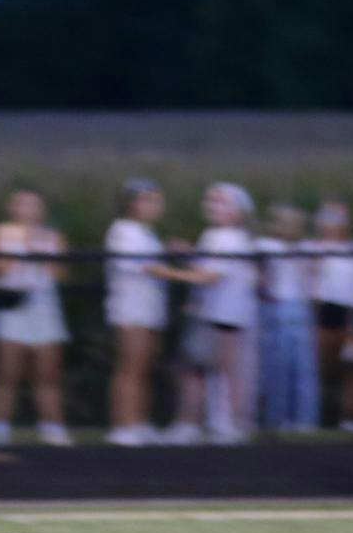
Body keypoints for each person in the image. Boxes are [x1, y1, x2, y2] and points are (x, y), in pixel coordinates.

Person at [104, 180, 206, 445]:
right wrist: (188, 276)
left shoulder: (146, 233)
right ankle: (122, 426)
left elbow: (153, 263)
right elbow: (147, 267)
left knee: (144, 368)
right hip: (130, 308)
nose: (156, 206)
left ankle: (139, 422)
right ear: (133, 203)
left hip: (150, 309)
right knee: (130, 367)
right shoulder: (123, 230)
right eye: (150, 200)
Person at [169, 182, 258, 444]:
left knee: (222, 370)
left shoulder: (230, 238)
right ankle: (214, 422)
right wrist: (188, 256)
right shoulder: (214, 235)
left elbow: (209, 276)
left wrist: (165, 272)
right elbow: (205, 267)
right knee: (209, 369)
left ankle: (226, 424)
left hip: (225, 314)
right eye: (212, 201)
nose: (214, 206)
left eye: (222, 202)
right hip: (212, 312)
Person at [0, 188, 71, 445]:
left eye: (34, 205)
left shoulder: (53, 237)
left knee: (48, 372)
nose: (29, 210)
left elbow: (61, 273)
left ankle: (53, 428)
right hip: (12, 307)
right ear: (12, 207)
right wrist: (23, 252)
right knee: (7, 371)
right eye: (23, 204)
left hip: (44, 306)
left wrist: (42, 256)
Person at [256, 202, 319, 432]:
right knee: (293, 370)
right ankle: (297, 420)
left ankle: (290, 419)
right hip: (291, 308)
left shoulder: (271, 245)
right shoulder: (270, 245)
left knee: (288, 369)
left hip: (288, 307)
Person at [309, 201, 353, 432]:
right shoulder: (313, 249)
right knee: (322, 369)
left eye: (336, 219)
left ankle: (352, 419)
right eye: (327, 219)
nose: (331, 225)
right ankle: (317, 418)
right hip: (323, 312)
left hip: (352, 315)